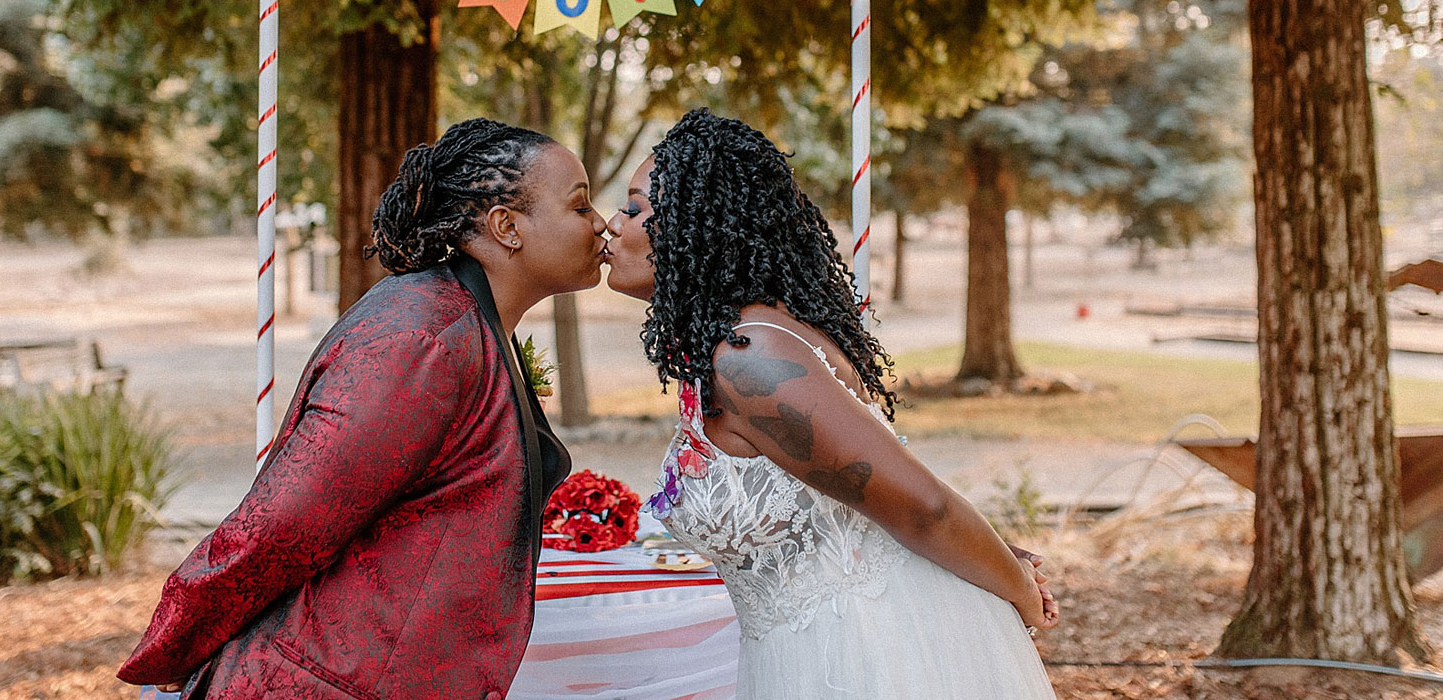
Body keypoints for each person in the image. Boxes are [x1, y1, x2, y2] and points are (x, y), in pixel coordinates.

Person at [119, 119, 607, 700]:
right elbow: (285, 522)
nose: (600, 223)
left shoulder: (468, 323)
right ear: (506, 226)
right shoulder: (422, 339)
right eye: (580, 207)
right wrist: (178, 642)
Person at [604, 109, 1059, 699]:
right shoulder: (735, 346)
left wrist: (1020, 589)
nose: (613, 224)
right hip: (802, 653)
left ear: (699, 226)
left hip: (871, 654)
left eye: (636, 208)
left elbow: (924, 507)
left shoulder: (752, 359)